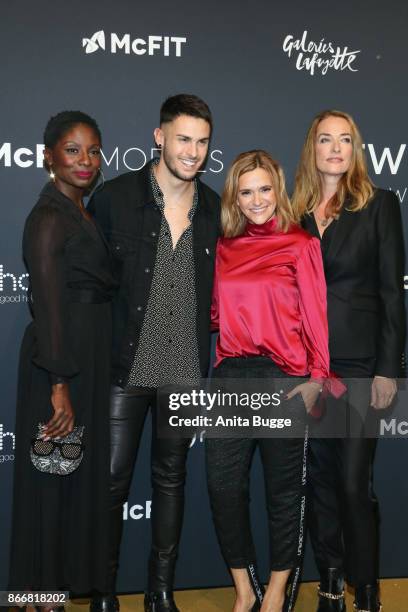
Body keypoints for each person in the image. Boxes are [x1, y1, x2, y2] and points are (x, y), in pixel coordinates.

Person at [88, 94, 220, 612]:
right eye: (183, 138)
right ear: (159, 137)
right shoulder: (115, 199)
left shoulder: (213, 209)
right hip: (124, 368)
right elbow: (89, 289)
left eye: (203, 141)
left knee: (171, 481)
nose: (193, 151)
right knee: (112, 482)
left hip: (185, 371)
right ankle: (102, 591)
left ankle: (159, 591)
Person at [205, 150, 335, 612]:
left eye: (264, 189)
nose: (257, 200)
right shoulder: (222, 248)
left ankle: (277, 592)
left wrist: (318, 377)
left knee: (283, 492)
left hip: (284, 377)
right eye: (246, 191)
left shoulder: (301, 243)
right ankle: (244, 589)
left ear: (277, 190)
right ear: (234, 198)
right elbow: (215, 315)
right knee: (222, 486)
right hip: (231, 374)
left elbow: (316, 314)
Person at [292, 109, 406, 612]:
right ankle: (332, 578)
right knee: (319, 478)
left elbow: (391, 293)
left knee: (353, 480)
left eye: (345, 140)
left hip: (360, 365)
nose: (335, 148)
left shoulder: (379, 205)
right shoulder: (293, 213)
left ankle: (368, 585)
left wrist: (389, 367)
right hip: (309, 366)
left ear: (355, 148)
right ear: (311, 149)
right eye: (325, 139)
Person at [9, 111, 116, 609]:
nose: (86, 161)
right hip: (60, 366)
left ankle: (50, 593)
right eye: (73, 150)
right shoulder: (50, 216)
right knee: (50, 480)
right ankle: (38, 598)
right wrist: (58, 383)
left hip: (84, 363)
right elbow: (46, 303)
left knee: (67, 478)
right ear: (48, 155)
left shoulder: (81, 210)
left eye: (93, 151)